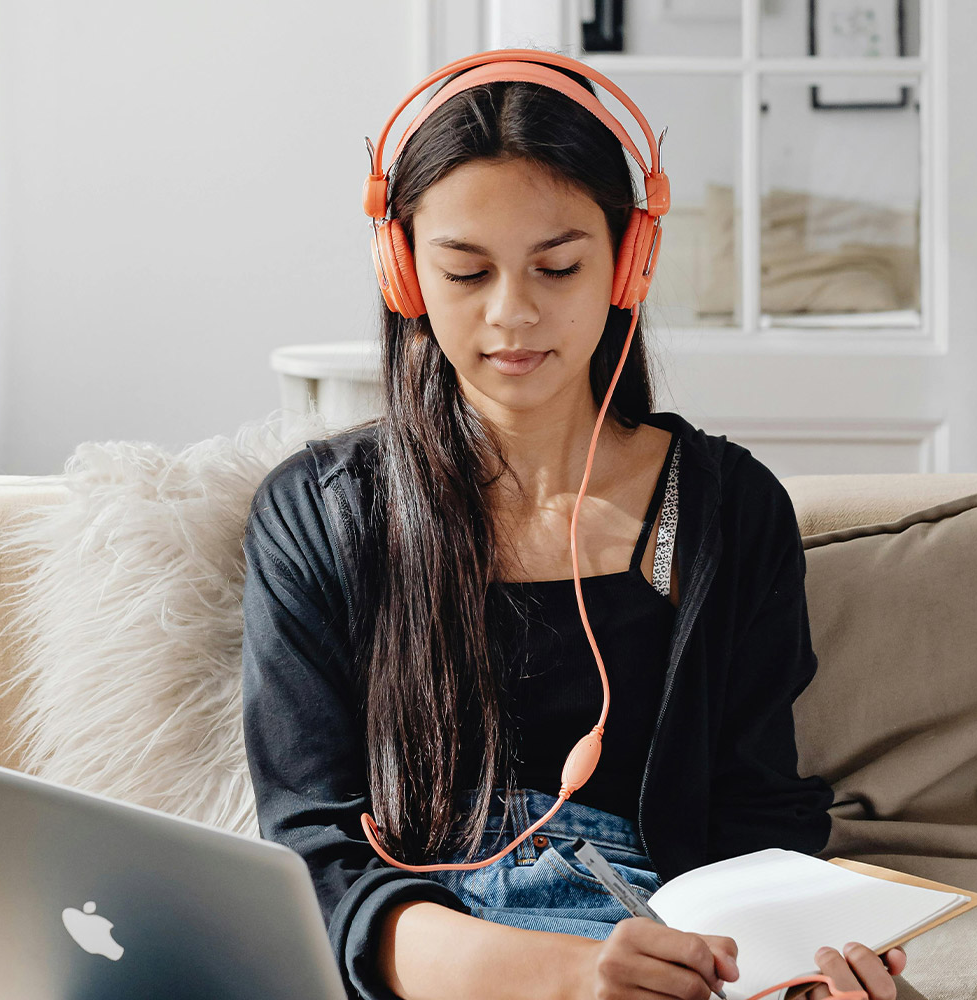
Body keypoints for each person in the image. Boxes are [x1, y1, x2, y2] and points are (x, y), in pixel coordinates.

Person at [240, 51, 908, 1000]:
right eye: (465, 272)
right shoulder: (318, 513)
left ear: (628, 260)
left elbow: (759, 818)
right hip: (433, 957)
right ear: (405, 274)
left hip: (664, 949)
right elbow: (314, 861)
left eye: (558, 265)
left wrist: (792, 967)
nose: (514, 314)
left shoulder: (727, 509)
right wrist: (568, 976)